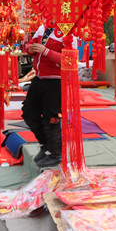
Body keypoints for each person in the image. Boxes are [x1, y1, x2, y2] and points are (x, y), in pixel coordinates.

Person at [21, 25, 75, 168]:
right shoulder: (43, 27)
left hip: (55, 81)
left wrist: (45, 51)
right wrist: (30, 49)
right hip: (39, 78)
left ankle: (56, 153)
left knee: (51, 119)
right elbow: (30, 45)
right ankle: (46, 145)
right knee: (28, 113)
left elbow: (69, 60)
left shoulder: (69, 30)